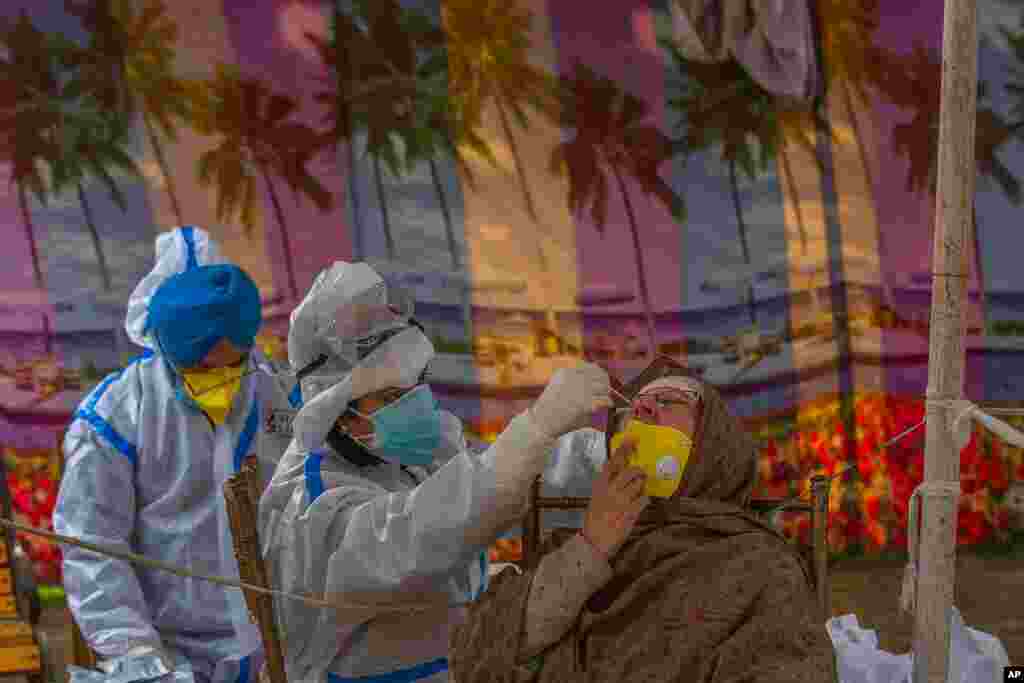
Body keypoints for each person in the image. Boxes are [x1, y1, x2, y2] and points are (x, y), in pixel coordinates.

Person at [258, 261, 613, 683]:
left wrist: (605, 453)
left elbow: (492, 471)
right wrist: (537, 423)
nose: (413, 403)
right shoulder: (310, 503)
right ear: (339, 412)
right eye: (391, 394)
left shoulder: (399, 452)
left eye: (415, 384)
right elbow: (424, 531)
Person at [450, 357, 838, 683]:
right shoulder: (574, 546)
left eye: (669, 401)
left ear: (710, 443)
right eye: (632, 408)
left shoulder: (759, 566)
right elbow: (478, 658)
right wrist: (589, 550)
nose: (642, 409)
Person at [54, 227, 296, 683]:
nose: (221, 379)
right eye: (202, 368)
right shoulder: (115, 417)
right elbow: (93, 545)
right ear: (166, 347)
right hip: (167, 655)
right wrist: (137, 654)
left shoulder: (280, 395)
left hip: (278, 647)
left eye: (234, 364)